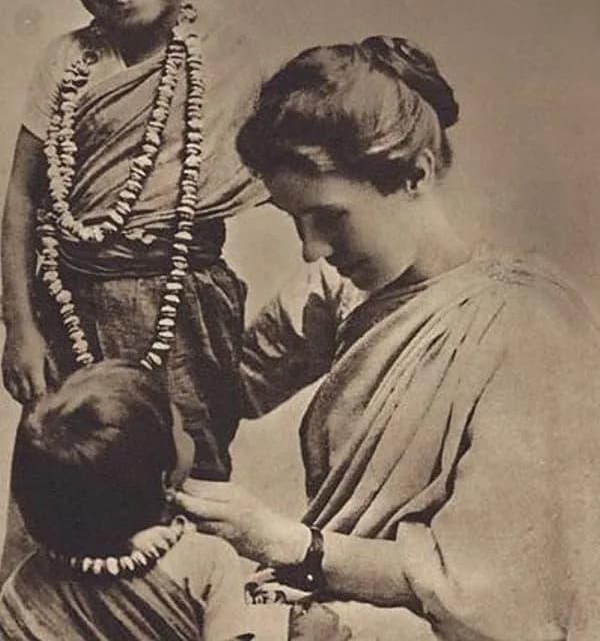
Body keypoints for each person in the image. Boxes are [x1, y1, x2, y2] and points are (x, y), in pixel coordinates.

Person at [174, 36, 600, 640]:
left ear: (415, 174)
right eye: (295, 221)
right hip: (321, 614)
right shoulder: (337, 290)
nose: (311, 248)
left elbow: (498, 592)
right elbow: (222, 387)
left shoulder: (532, 329)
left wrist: (284, 540)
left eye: (330, 217)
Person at [2, 0, 265, 482]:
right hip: (70, 305)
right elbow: (22, 200)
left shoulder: (227, 61)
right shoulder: (65, 62)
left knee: (187, 474)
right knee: (67, 476)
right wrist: (20, 327)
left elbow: (294, 177)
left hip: (181, 306)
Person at [0, 360, 255, 640]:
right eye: (180, 430)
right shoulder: (206, 561)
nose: (186, 434)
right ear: (164, 478)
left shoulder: (22, 587)